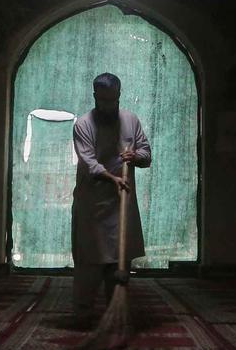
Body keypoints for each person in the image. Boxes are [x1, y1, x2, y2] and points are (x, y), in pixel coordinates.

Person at [71, 72, 151, 320]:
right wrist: (113, 178)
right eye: (103, 100)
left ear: (119, 96)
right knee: (90, 263)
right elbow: (89, 163)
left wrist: (135, 157)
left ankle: (114, 315)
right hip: (92, 205)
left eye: (112, 100)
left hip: (121, 205)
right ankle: (83, 314)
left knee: (118, 262)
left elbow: (146, 154)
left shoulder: (130, 120)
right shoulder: (83, 124)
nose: (108, 106)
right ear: (95, 96)